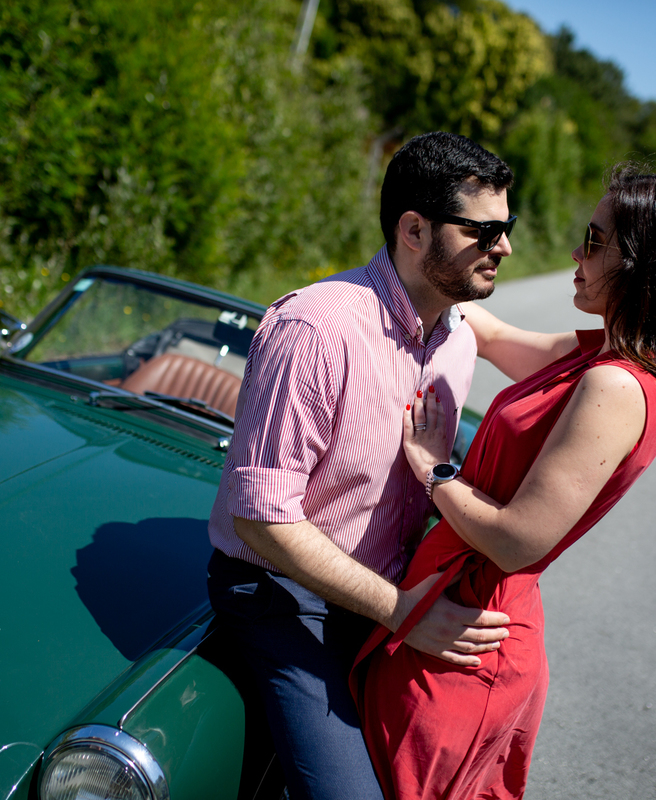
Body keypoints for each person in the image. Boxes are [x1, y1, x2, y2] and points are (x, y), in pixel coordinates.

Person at [352, 167, 656, 800]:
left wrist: (432, 466)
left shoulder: (615, 386)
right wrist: (402, 272)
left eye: (595, 238)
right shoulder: (601, 356)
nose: (576, 254)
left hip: (470, 632)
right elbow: (493, 334)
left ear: (645, 265)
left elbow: (516, 540)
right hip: (454, 607)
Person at [206, 131, 521, 800]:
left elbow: (568, 359)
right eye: (485, 230)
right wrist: (405, 612)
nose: (506, 246)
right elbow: (260, 522)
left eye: (508, 226)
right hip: (285, 597)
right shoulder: (314, 330)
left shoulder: (456, 334)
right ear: (415, 229)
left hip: (382, 595)